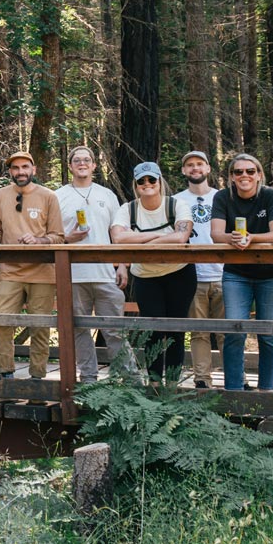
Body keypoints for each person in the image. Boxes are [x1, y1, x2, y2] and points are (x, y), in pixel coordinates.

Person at [56, 146, 139, 382]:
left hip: (106, 274)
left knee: (114, 329)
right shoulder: (58, 196)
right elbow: (50, 234)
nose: (82, 163)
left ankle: (130, 379)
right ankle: (88, 378)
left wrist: (123, 265)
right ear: (70, 166)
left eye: (87, 159)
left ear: (94, 165)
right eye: (77, 160)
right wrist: (66, 238)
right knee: (79, 329)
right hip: (72, 275)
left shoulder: (107, 195)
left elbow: (119, 233)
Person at [211, 152, 273, 391]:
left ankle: (267, 393)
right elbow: (216, 235)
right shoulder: (223, 197)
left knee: (269, 334)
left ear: (259, 175)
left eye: (250, 171)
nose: (244, 176)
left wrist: (251, 238)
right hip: (237, 273)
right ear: (231, 177)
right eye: (238, 172)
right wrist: (232, 238)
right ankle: (234, 393)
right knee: (234, 331)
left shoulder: (271, 196)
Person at [112, 162, 195, 382]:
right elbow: (118, 238)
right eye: (141, 181)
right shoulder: (127, 209)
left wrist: (138, 239)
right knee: (153, 332)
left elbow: (180, 237)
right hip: (146, 276)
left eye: (151, 180)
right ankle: (156, 383)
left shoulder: (176, 205)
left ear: (159, 181)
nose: (147, 184)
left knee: (177, 330)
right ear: (136, 184)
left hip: (180, 273)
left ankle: (173, 383)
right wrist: (160, 238)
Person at [0, 151, 65, 380]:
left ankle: (38, 376)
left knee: (39, 326)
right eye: (15, 168)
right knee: (1, 320)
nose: (20, 172)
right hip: (10, 270)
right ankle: (4, 373)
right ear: (10, 172)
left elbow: (58, 236)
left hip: (42, 271)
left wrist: (38, 240)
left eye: (24, 167)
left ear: (33, 170)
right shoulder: (1, 196)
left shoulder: (48, 196)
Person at [176, 150, 225, 388]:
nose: (195, 168)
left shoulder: (222, 197)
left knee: (229, 331)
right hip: (192, 275)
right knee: (198, 332)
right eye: (190, 165)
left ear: (207, 169)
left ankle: (236, 377)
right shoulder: (176, 200)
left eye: (199, 164)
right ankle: (202, 379)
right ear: (184, 171)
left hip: (226, 273)